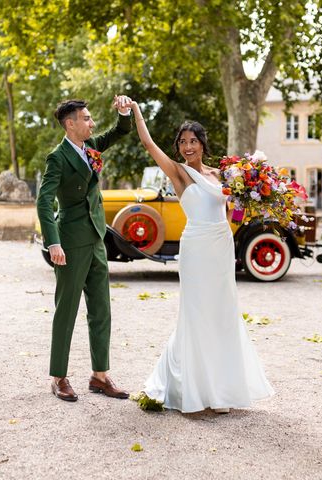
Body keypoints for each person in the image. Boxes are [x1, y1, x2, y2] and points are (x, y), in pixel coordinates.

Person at [130, 100, 275, 413]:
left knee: (221, 313)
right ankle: (194, 391)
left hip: (221, 246)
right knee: (196, 315)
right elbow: (147, 143)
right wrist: (136, 111)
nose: (187, 147)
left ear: (202, 143)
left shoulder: (221, 174)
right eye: (182, 142)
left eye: (192, 141)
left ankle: (221, 390)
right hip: (195, 248)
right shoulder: (179, 174)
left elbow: (232, 208)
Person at [36, 96, 132, 402]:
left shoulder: (90, 148)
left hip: (96, 240)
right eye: (86, 118)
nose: (91, 123)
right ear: (70, 124)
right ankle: (58, 377)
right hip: (70, 243)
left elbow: (118, 132)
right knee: (67, 310)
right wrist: (53, 243)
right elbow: (44, 201)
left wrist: (124, 113)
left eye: (90, 118)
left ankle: (99, 376)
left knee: (101, 309)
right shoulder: (57, 157)